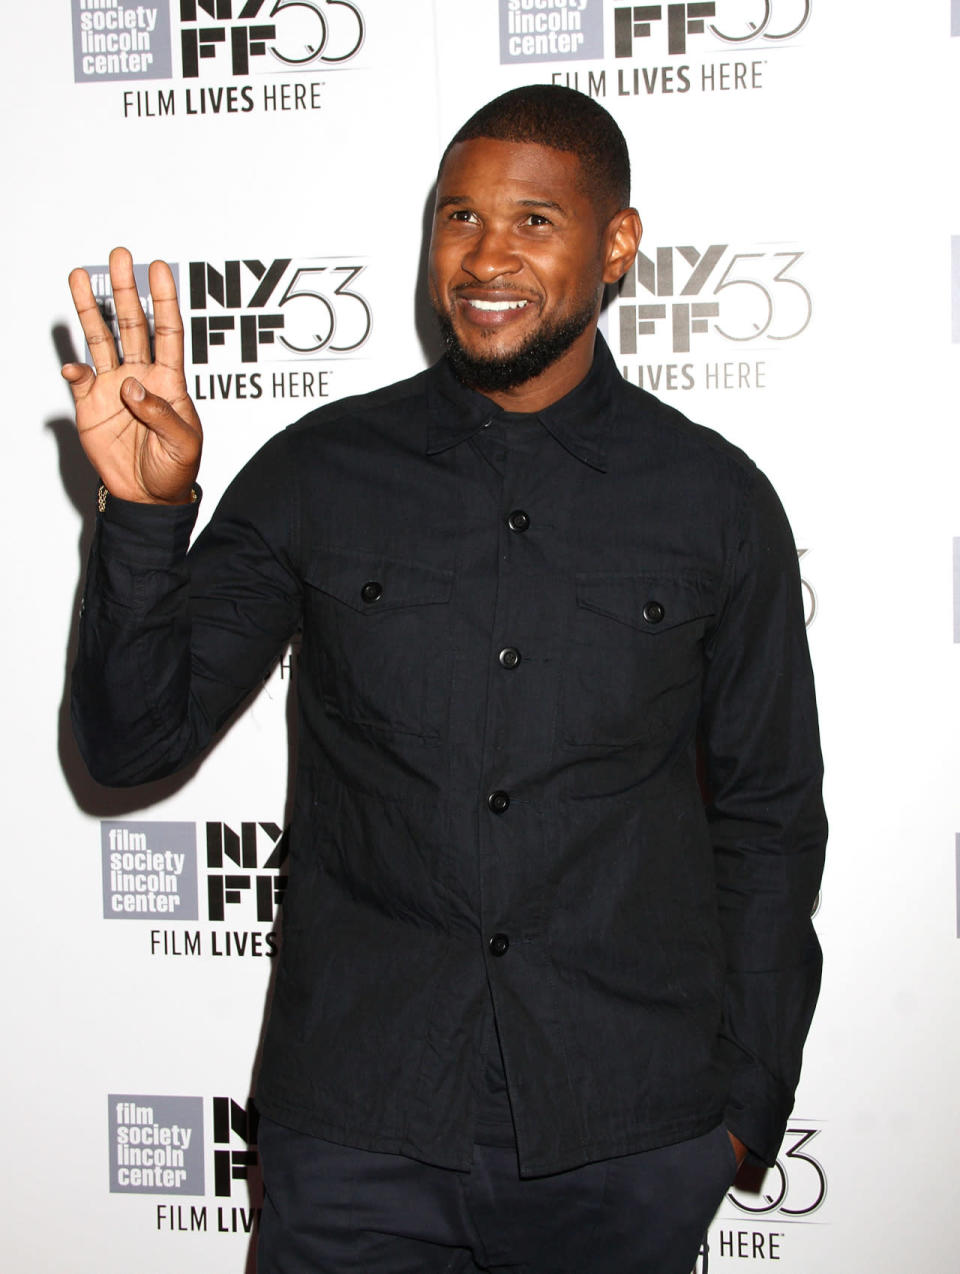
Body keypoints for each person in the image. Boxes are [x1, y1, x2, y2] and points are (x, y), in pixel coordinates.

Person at [66, 85, 826, 1274]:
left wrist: (739, 1112)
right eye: (459, 217)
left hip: (624, 1136)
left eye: (534, 220)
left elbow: (772, 816)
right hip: (357, 1126)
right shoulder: (321, 471)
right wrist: (146, 517)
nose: (485, 256)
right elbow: (129, 742)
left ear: (615, 243)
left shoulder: (716, 503)